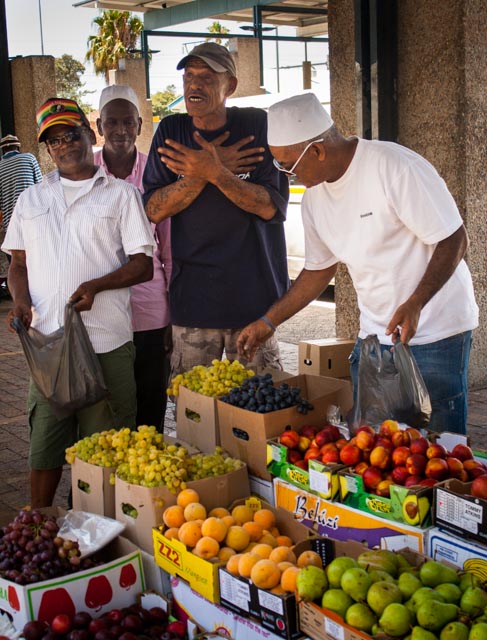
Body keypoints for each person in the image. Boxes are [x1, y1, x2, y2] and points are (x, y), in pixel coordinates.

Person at [237, 92, 479, 435]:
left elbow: (453, 239)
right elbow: (318, 271)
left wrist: (415, 303)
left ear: (317, 150)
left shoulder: (393, 166)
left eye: (287, 164)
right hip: (375, 339)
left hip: (435, 333)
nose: (285, 174)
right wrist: (268, 321)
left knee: (438, 450)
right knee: (373, 447)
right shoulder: (315, 200)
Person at [2, 97, 155, 506]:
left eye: (72, 134)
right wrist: (19, 301)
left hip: (107, 344)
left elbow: (144, 266)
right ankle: (38, 521)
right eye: (54, 140)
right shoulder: (32, 198)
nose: (64, 144)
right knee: (44, 446)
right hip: (49, 346)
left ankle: (98, 526)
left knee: (105, 451)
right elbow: (17, 263)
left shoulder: (121, 195)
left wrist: (99, 285)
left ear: (89, 135)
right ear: (47, 149)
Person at [143, 42, 289, 376]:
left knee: (261, 413)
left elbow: (270, 207)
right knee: (195, 416)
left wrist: (216, 172)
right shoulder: (171, 130)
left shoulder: (257, 126)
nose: (194, 85)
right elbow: (152, 209)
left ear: (230, 86)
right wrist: (206, 171)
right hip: (194, 303)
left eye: (207, 77)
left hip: (254, 304)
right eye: (189, 76)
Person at [95, 85, 172, 431]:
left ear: (141, 125)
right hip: (100, 310)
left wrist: (173, 313)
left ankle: (146, 480)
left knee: (151, 397)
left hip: (149, 309)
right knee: (105, 402)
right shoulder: (85, 174)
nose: (121, 130)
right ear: (99, 126)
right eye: (112, 122)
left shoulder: (157, 173)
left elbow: (168, 248)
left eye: (128, 122)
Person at [0, 134, 42, 296]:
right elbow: (40, 185)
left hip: (12, 219)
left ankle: (18, 293)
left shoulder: (0, 166)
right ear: (18, 147)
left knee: (16, 259)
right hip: (34, 215)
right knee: (35, 254)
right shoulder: (29, 158)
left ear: (3, 150)